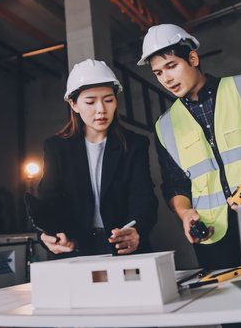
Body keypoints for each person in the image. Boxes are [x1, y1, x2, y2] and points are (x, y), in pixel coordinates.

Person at [138, 23, 241, 328]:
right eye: (158, 73)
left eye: (171, 66)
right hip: (215, 239)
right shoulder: (166, 125)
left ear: (193, 59)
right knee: (238, 322)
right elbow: (174, 183)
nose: (166, 78)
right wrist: (185, 213)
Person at [38, 58, 158, 257]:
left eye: (108, 100)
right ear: (74, 104)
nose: (101, 109)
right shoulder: (56, 147)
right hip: (74, 248)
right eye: (90, 102)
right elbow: (47, 202)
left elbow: (143, 197)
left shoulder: (135, 144)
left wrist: (137, 230)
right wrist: (46, 235)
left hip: (121, 247)